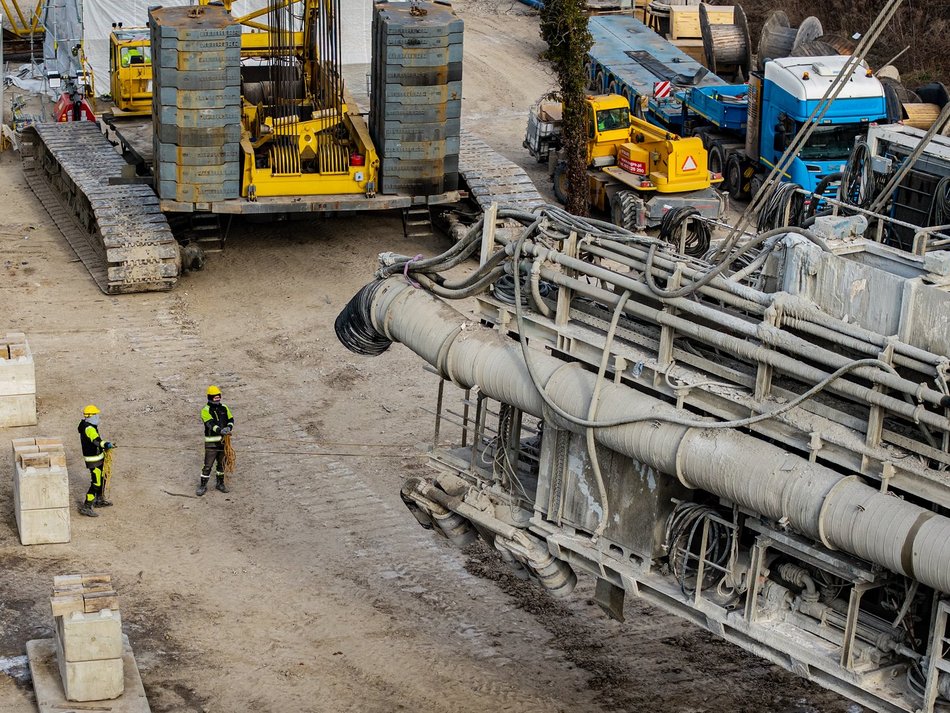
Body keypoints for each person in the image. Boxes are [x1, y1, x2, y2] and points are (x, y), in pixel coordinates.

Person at [77, 404, 115, 517]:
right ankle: (86, 506)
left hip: (98, 457)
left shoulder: (88, 425)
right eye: (96, 414)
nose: (98, 417)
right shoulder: (89, 428)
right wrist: (106, 444)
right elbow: (96, 441)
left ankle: (99, 499)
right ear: (90, 416)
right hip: (94, 460)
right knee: (96, 483)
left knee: (103, 477)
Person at [199, 385, 234, 496]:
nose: (217, 398)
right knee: (207, 465)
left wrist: (229, 427)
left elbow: (231, 419)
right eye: (215, 397)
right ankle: (203, 486)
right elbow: (210, 424)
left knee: (221, 465)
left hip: (224, 442)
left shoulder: (224, 407)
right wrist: (220, 430)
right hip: (211, 443)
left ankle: (220, 484)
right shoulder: (205, 410)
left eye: (218, 396)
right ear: (210, 397)